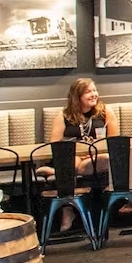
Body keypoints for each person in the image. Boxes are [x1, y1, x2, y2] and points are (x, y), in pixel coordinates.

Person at [46, 77, 119, 232]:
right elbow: (55, 145)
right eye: (88, 92)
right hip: (74, 157)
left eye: (94, 90)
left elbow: (114, 142)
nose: (94, 94)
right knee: (70, 162)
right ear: (77, 96)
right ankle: (68, 209)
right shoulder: (63, 116)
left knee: (106, 160)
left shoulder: (105, 112)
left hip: (97, 157)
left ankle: (56, 173)